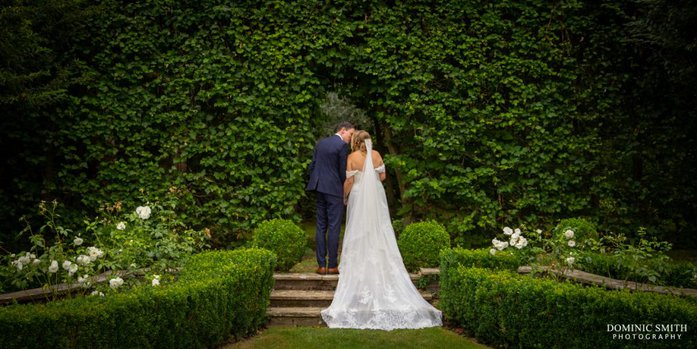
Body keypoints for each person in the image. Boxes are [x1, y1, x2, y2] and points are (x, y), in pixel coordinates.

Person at [321, 130, 442, 330]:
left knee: (358, 228)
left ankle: (359, 261)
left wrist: (344, 196)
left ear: (355, 142)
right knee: (379, 228)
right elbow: (383, 176)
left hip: (359, 195)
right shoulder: (376, 155)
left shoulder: (351, 157)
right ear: (368, 142)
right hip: (376, 195)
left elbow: (350, 181)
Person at [307, 122, 355, 275]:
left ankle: (321, 266)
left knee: (321, 226)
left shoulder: (321, 143)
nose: (351, 137)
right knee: (334, 226)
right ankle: (333, 265)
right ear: (343, 130)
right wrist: (344, 189)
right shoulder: (341, 146)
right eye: (351, 134)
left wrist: (317, 180)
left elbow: (312, 166)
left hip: (318, 186)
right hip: (334, 189)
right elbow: (342, 171)